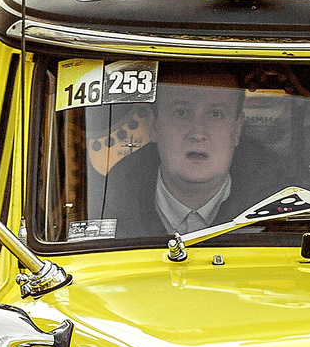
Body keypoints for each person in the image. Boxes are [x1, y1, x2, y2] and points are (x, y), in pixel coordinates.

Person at [95, 71, 284, 240]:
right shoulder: (100, 207)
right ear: (154, 126)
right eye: (181, 113)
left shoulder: (283, 217)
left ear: (236, 129)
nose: (198, 133)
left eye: (216, 114)